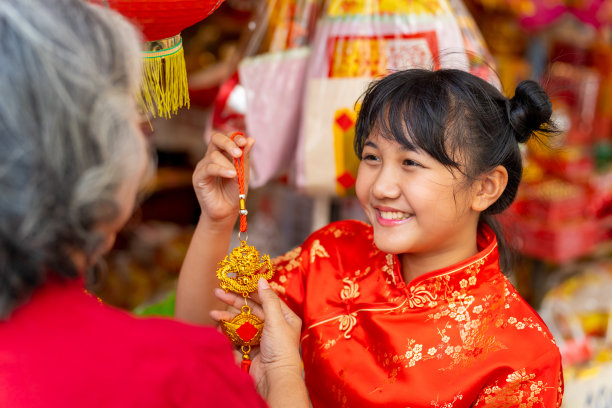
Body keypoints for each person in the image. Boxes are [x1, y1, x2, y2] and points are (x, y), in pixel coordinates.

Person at [176, 68, 565, 407]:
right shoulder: (333, 253)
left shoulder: (522, 359)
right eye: (372, 157)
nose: (381, 187)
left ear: (485, 187)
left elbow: (272, 370)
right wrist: (216, 221)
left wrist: (284, 376)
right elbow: (197, 339)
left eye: (411, 163)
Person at [0, 1, 308, 407]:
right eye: (130, 112)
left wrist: (216, 223)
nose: (144, 129)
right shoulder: (169, 373)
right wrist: (286, 376)